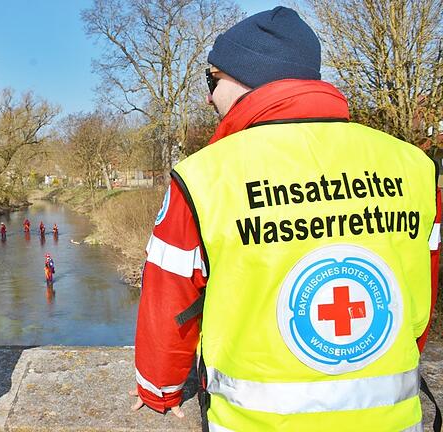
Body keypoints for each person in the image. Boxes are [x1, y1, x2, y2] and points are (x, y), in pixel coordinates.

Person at [132, 7, 441, 431]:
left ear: (246, 79)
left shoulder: (205, 175)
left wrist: (159, 389)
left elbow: (171, 299)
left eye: (212, 80)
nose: (208, 97)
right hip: (390, 418)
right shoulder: (413, 165)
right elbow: (418, 288)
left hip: (254, 422)